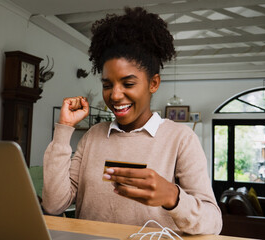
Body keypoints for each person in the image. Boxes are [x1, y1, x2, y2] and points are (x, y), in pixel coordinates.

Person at [42, 7, 222, 235]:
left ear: (153, 83)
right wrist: (64, 130)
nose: (115, 95)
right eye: (107, 85)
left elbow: (213, 223)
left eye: (128, 84)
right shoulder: (92, 136)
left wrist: (172, 197)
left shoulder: (181, 139)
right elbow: (53, 204)